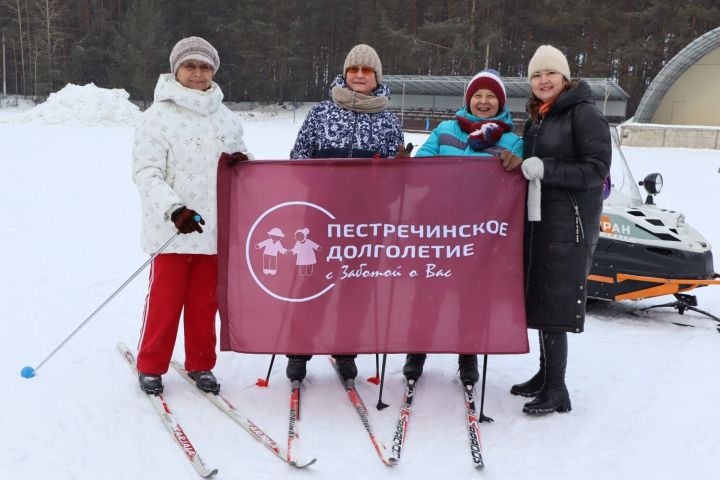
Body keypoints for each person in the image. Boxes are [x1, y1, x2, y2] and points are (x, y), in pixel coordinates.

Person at [132, 36, 253, 395]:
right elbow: (146, 172)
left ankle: (201, 363)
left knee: (205, 305)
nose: (197, 74)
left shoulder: (227, 118)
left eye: (204, 67)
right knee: (166, 303)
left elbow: (241, 161)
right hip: (175, 229)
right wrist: (175, 210)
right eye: (190, 66)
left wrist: (241, 165)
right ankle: (151, 365)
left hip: (215, 231)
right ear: (176, 70)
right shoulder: (156, 118)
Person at [287, 43, 405, 382]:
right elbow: (298, 159)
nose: (359, 75)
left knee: (356, 288)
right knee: (312, 286)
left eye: (366, 71)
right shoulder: (321, 113)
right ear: (345, 73)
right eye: (354, 69)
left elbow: (396, 183)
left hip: (366, 222)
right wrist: (322, 184)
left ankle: (345, 349)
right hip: (321, 218)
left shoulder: (387, 120)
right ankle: (299, 350)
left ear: (376, 77)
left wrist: (399, 169)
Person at [504, 45, 611, 414]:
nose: (542, 80)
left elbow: (596, 170)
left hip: (571, 223)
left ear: (564, 78)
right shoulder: (540, 117)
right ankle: (544, 374)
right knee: (541, 298)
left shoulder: (584, 115)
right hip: (541, 221)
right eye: (536, 75)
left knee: (556, 302)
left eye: (549, 74)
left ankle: (557, 388)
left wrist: (545, 168)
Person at [402, 69, 524, 385]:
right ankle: (417, 350)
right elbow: (422, 169)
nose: (484, 102)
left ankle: (467, 355)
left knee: (471, 295)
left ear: (501, 102)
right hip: (437, 228)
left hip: (478, 234)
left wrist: (517, 167)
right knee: (428, 291)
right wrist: (406, 165)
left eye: (490, 96)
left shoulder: (512, 141)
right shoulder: (445, 130)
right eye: (478, 96)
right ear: (468, 100)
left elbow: (515, 187)